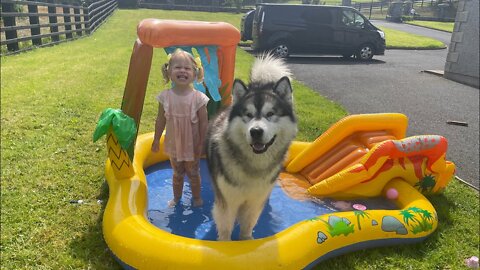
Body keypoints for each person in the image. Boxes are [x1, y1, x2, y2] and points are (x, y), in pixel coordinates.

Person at [151, 49, 209, 207]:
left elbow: (204, 122)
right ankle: (177, 198)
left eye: (187, 68)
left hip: (193, 145)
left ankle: (196, 197)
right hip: (174, 144)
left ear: (195, 73)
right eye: (177, 67)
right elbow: (160, 120)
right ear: (169, 71)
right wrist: (156, 139)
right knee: (177, 173)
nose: (182, 70)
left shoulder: (198, 98)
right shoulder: (165, 97)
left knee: (193, 172)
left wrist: (203, 143)